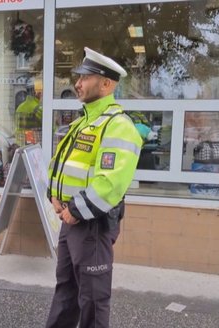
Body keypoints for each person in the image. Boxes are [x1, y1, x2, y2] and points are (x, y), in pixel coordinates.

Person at [45, 47, 142, 328]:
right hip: (70, 220)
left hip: (91, 224)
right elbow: (61, 165)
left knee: (93, 300)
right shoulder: (84, 122)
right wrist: (53, 194)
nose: (78, 83)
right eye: (79, 77)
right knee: (66, 290)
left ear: (106, 84)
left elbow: (110, 182)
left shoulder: (117, 125)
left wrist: (75, 209)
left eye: (86, 77)